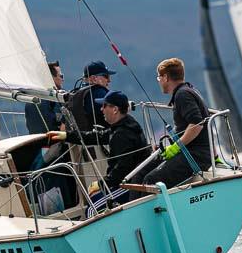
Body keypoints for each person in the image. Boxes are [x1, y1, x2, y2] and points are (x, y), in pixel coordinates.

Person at [47, 90, 150, 214]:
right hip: (129, 180)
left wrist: (101, 184)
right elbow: (98, 136)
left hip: (130, 184)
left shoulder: (122, 135)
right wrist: (66, 136)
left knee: (91, 210)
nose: (101, 109)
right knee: (94, 198)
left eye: (104, 106)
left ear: (115, 109)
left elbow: (122, 170)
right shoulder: (124, 124)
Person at [134, 58, 212, 190]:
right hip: (193, 152)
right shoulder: (188, 90)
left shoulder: (183, 95)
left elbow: (197, 123)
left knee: (151, 180)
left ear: (165, 77)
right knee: (139, 174)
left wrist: (176, 147)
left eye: (159, 78)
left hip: (196, 155)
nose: (159, 82)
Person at [67, 60, 117, 131]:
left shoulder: (76, 93)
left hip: (78, 138)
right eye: (106, 76)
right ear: (94, 78)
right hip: (99, 140)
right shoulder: (99, 92)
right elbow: (117, 115)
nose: (109, 80)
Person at [25, 61, 64, 134]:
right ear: (51, 78)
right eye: (61, 76)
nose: (63, 79)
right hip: (53, 141)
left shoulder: (30, 98)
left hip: (34, 141)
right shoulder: (55, 99)